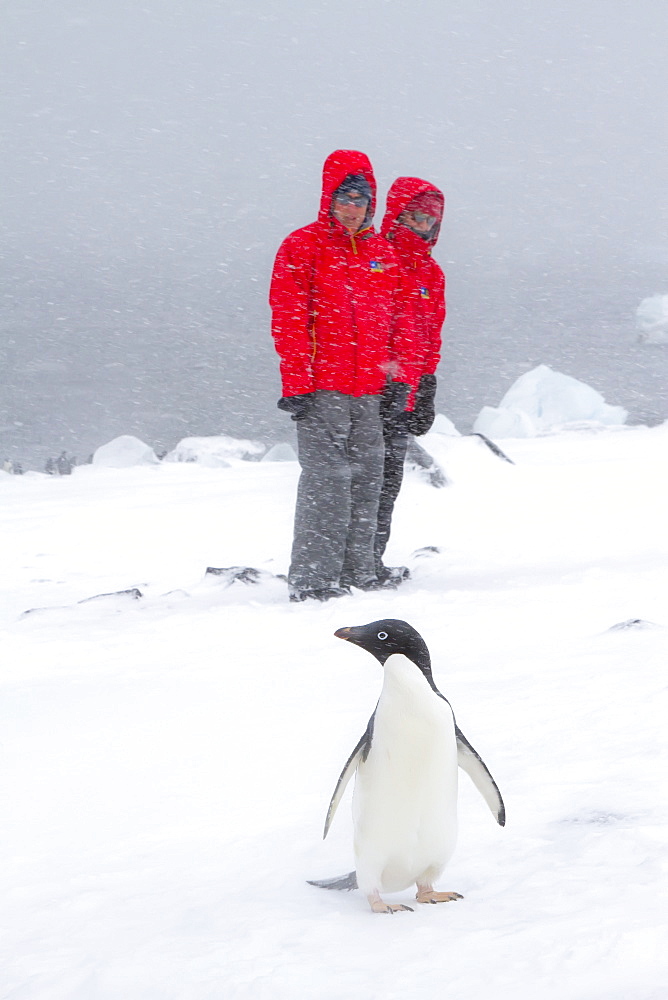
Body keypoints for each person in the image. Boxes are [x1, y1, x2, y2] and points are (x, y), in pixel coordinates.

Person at [270, 150, 416, 602]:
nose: (352, 206)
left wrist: (398, 378)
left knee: (368, 478)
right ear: (329, 199)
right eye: (345, 196)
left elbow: (397, 323)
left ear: (372, 204)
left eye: (361, 198)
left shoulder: (383, 255)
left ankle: (358, 572)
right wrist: (297, 384)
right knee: (327, 482)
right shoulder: (303, 246)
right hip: (323, 390)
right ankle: (314, 580)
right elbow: (289, 319)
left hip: (369, 392)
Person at [375, 177, 446, 582]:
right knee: (365, 480)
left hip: (405, 394)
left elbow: (431, 335)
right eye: (414, 216)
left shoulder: (432, 274)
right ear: (397, 215)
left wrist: (426, 386)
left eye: (428, 219)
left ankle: (372, 559)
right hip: (373, 389)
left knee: (389, 482)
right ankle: (354, 562)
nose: (421, 224)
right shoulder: (378, 258)